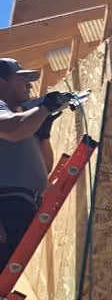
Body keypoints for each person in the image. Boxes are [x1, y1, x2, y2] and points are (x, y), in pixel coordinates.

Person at [0, 58, 78, 270]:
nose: (29, 84)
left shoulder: (21, 118)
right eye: (21, 78)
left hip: (21, 204)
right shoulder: (12, 119)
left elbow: (45, 168)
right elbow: (15, 129)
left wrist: (43, 135)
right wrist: (44, 108)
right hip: (5, 205)